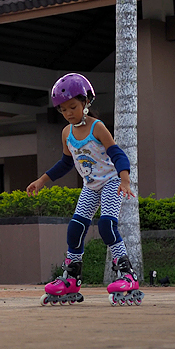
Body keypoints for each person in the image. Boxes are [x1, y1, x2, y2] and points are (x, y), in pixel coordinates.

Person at [27, 73, 140, 304]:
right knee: (75, 229)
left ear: (86, 102)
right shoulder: (66, 133)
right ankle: (71, 279)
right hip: (91, 186)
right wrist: (42, 180)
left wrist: (125, 180)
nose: (69, 113)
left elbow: (117, 154)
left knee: (107, 226)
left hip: (111, 182)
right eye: (63, 109)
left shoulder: (97, 127)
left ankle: (127, 275)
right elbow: (66, 164)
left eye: (73, 107)